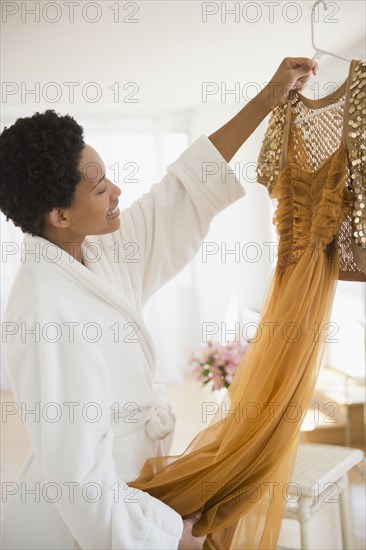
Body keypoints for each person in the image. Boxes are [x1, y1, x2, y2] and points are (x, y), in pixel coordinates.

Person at [0, 57, 317, 550]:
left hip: (134, 494)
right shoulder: (45, 314)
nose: (116, 191)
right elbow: (78, 480)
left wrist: (264, 100)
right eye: (100, 186)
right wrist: (166, 540)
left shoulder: (94, 251)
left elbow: (179, 195)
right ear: (60, 214)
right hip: (80, 529)